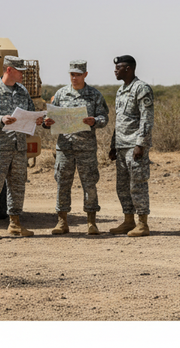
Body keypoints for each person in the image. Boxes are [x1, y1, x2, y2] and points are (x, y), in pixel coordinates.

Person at [0, 56, 44, 240]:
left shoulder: (22, 91)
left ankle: (15, 224)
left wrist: (37, 119)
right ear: (9, 70)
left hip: (19, 148)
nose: (23, 74)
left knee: (17, 186)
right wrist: (0, 119)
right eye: (19, 70)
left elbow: (29, 111)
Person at [41, 60, 109, 235]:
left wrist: (95, 121)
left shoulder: (94, 95)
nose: (75, 78)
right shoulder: (61, 94)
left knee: (90, 184)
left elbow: (104, 118)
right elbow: (49, 118)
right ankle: (62, 221)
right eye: (72, 74)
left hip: (86, 148)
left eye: (78, 74)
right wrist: (46, 123)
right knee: (62, 183)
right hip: (64, 147)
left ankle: (91, 222)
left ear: (85, 75)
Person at [108, 55, 154, 237]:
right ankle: (128, 221)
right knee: (122, 187)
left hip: (134, 146)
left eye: (118, 68)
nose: (115, 71)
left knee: (138, 185)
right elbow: (120, 120)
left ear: (128, 69)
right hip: (121, 146)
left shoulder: (141, 88)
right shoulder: (121, 91)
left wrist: (140, 144)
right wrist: (113, 145)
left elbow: (146, 118)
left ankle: (143, 224)